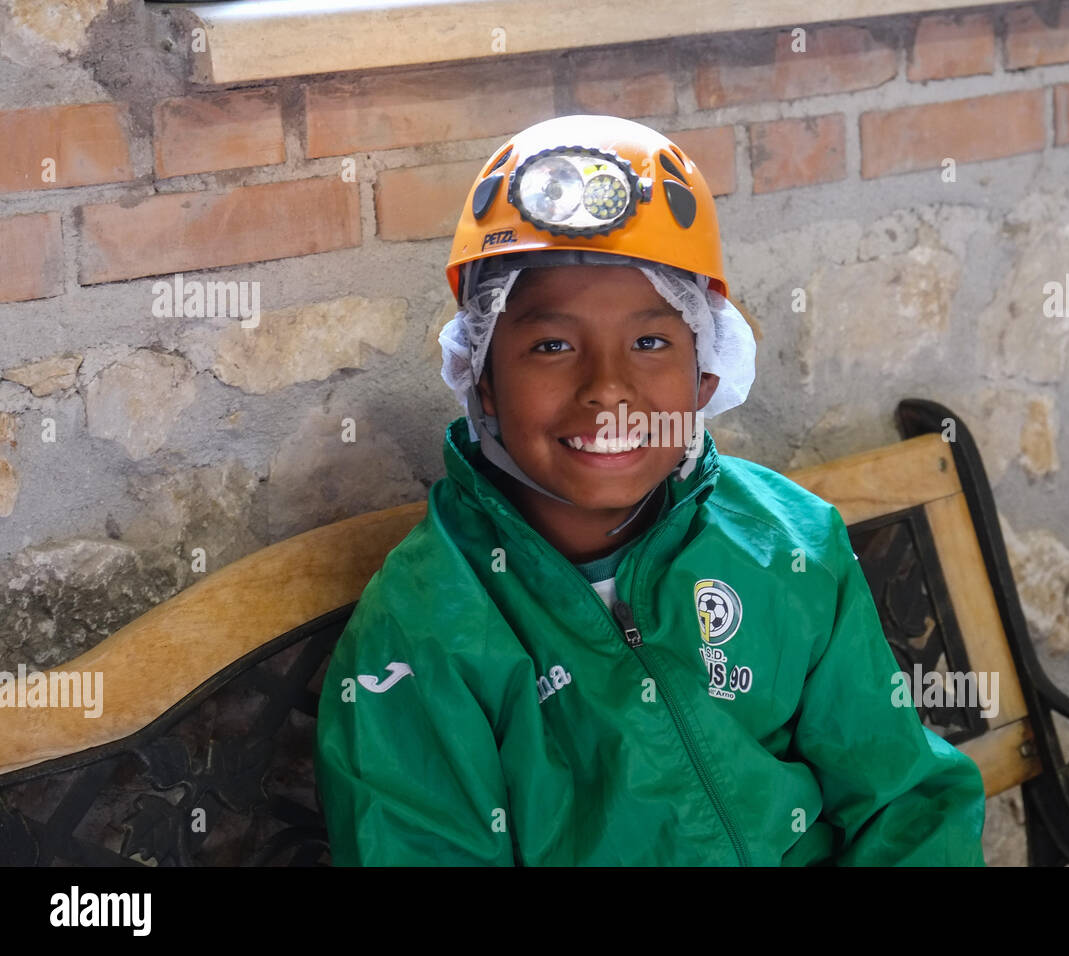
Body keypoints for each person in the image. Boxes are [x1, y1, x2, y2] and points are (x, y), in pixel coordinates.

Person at [314, 114, 987, 866]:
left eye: (649, 341)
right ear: (483, 381)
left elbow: (904, 800)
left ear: (705, 376)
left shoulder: (790, 543)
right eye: (552, 345)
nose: (608, 389)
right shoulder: (423, 631)